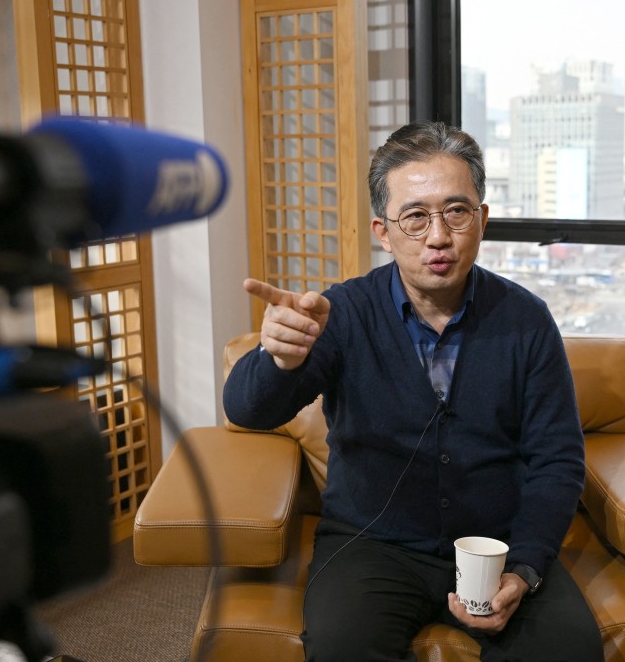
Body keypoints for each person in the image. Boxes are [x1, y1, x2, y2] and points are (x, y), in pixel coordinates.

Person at [223, 120, 603, 662]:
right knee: (342, 650)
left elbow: (557, 460)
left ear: (482, 219)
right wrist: (278, 360)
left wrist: (524, 567)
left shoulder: (527, 321)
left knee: (569, 652)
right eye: (416, 217)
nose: (439, 237)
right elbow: (246, 409)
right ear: (384, 231)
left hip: (495, 545)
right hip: (370, 546)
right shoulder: (343, 313)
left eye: (456, 211)